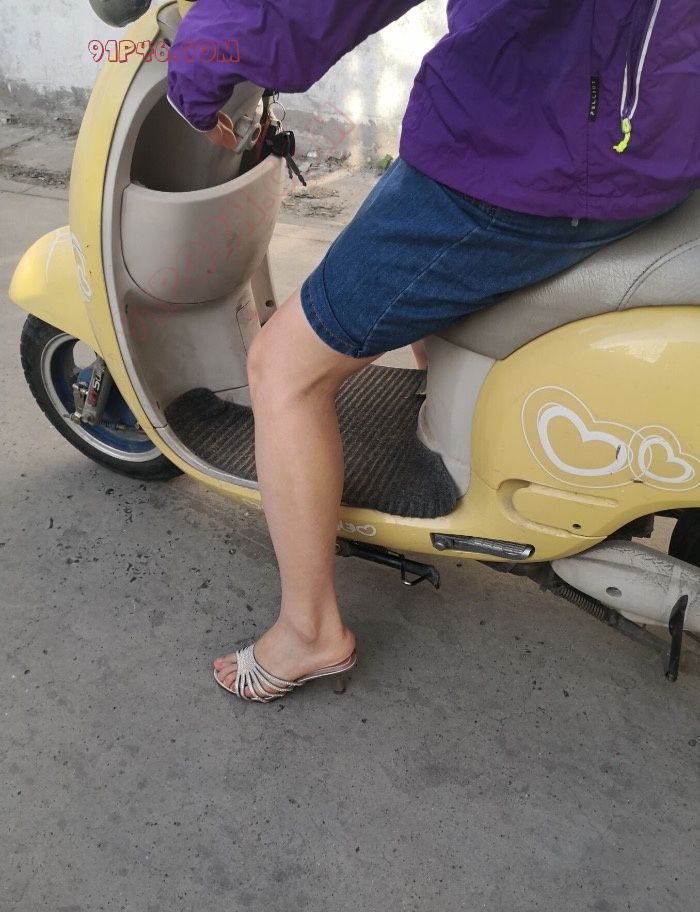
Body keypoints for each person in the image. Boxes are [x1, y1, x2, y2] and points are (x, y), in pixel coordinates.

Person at [168, 0, 700, 702]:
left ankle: (309, 631)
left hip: (532, 148)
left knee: (282, 368)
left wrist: (204, 56)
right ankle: (445, 435)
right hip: (643, 129)